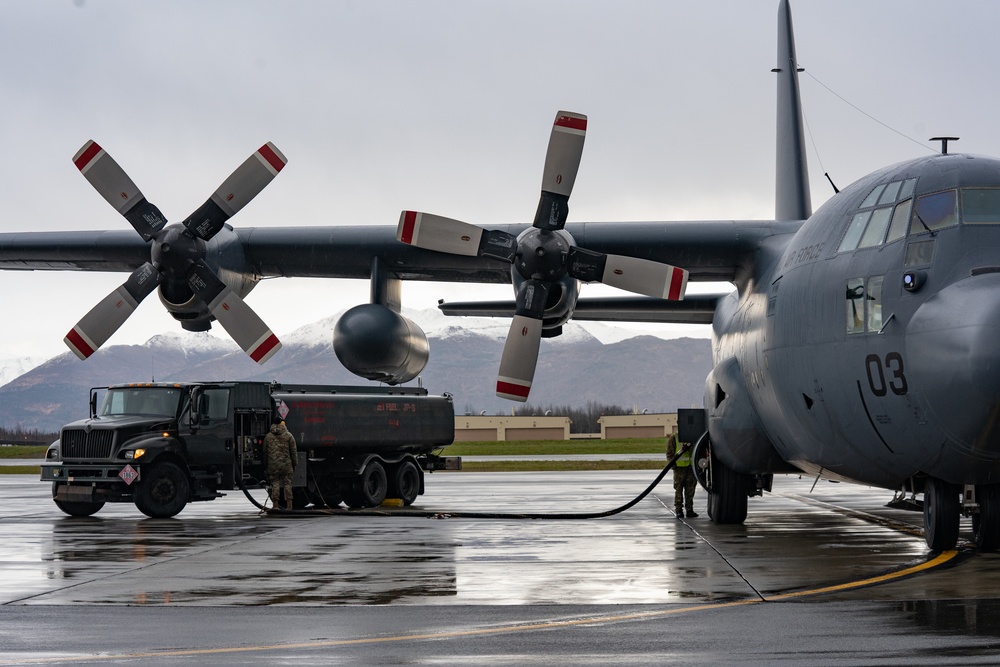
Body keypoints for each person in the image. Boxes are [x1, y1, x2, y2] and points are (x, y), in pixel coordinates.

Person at [264, 417, 297, 511]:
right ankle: (289, 505)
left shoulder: (268, 437)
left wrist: (267, 465)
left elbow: (265, 453)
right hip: (286, 465)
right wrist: (295, 463)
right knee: (287, 484)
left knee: (275, 484)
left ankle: (275, 505)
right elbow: (293, 452)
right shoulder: (289, 436)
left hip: (273, 465)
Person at [666, 432, 698, 519]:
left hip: (691, 467)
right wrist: (673, 466)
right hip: (679, 468)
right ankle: (679, 510)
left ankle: (689, 509)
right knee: (678, 489)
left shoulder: (694, 436)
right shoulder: (675, 437)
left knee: (690, 490)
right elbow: (670, 453)